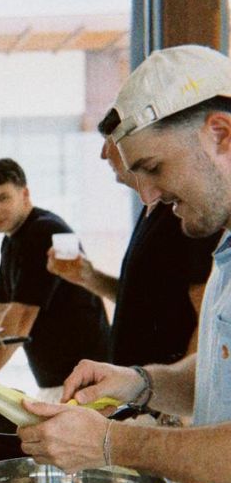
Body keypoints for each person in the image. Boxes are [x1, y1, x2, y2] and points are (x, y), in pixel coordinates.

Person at [19, 44, 231, 483]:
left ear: (220, 133)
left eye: (155, 169)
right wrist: (139, 383)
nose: (149, 199)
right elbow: (216, 369)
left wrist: (111, 446)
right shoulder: (227, 249)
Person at [46, 113, 219, 368]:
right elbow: (145, 303)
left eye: (110, 142)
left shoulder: (186, 212)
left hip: (163, 399)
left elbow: (206, 316)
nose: (103, 154)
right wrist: (90, 277)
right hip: (143, 393)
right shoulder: (154, 209)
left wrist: (171, 406)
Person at [0, 158, 110, 389]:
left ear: (24, 194)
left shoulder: (43, 231)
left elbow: (21, 316)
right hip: (59, 379)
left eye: (3, 198)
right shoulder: (12, 240)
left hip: (84, 377)